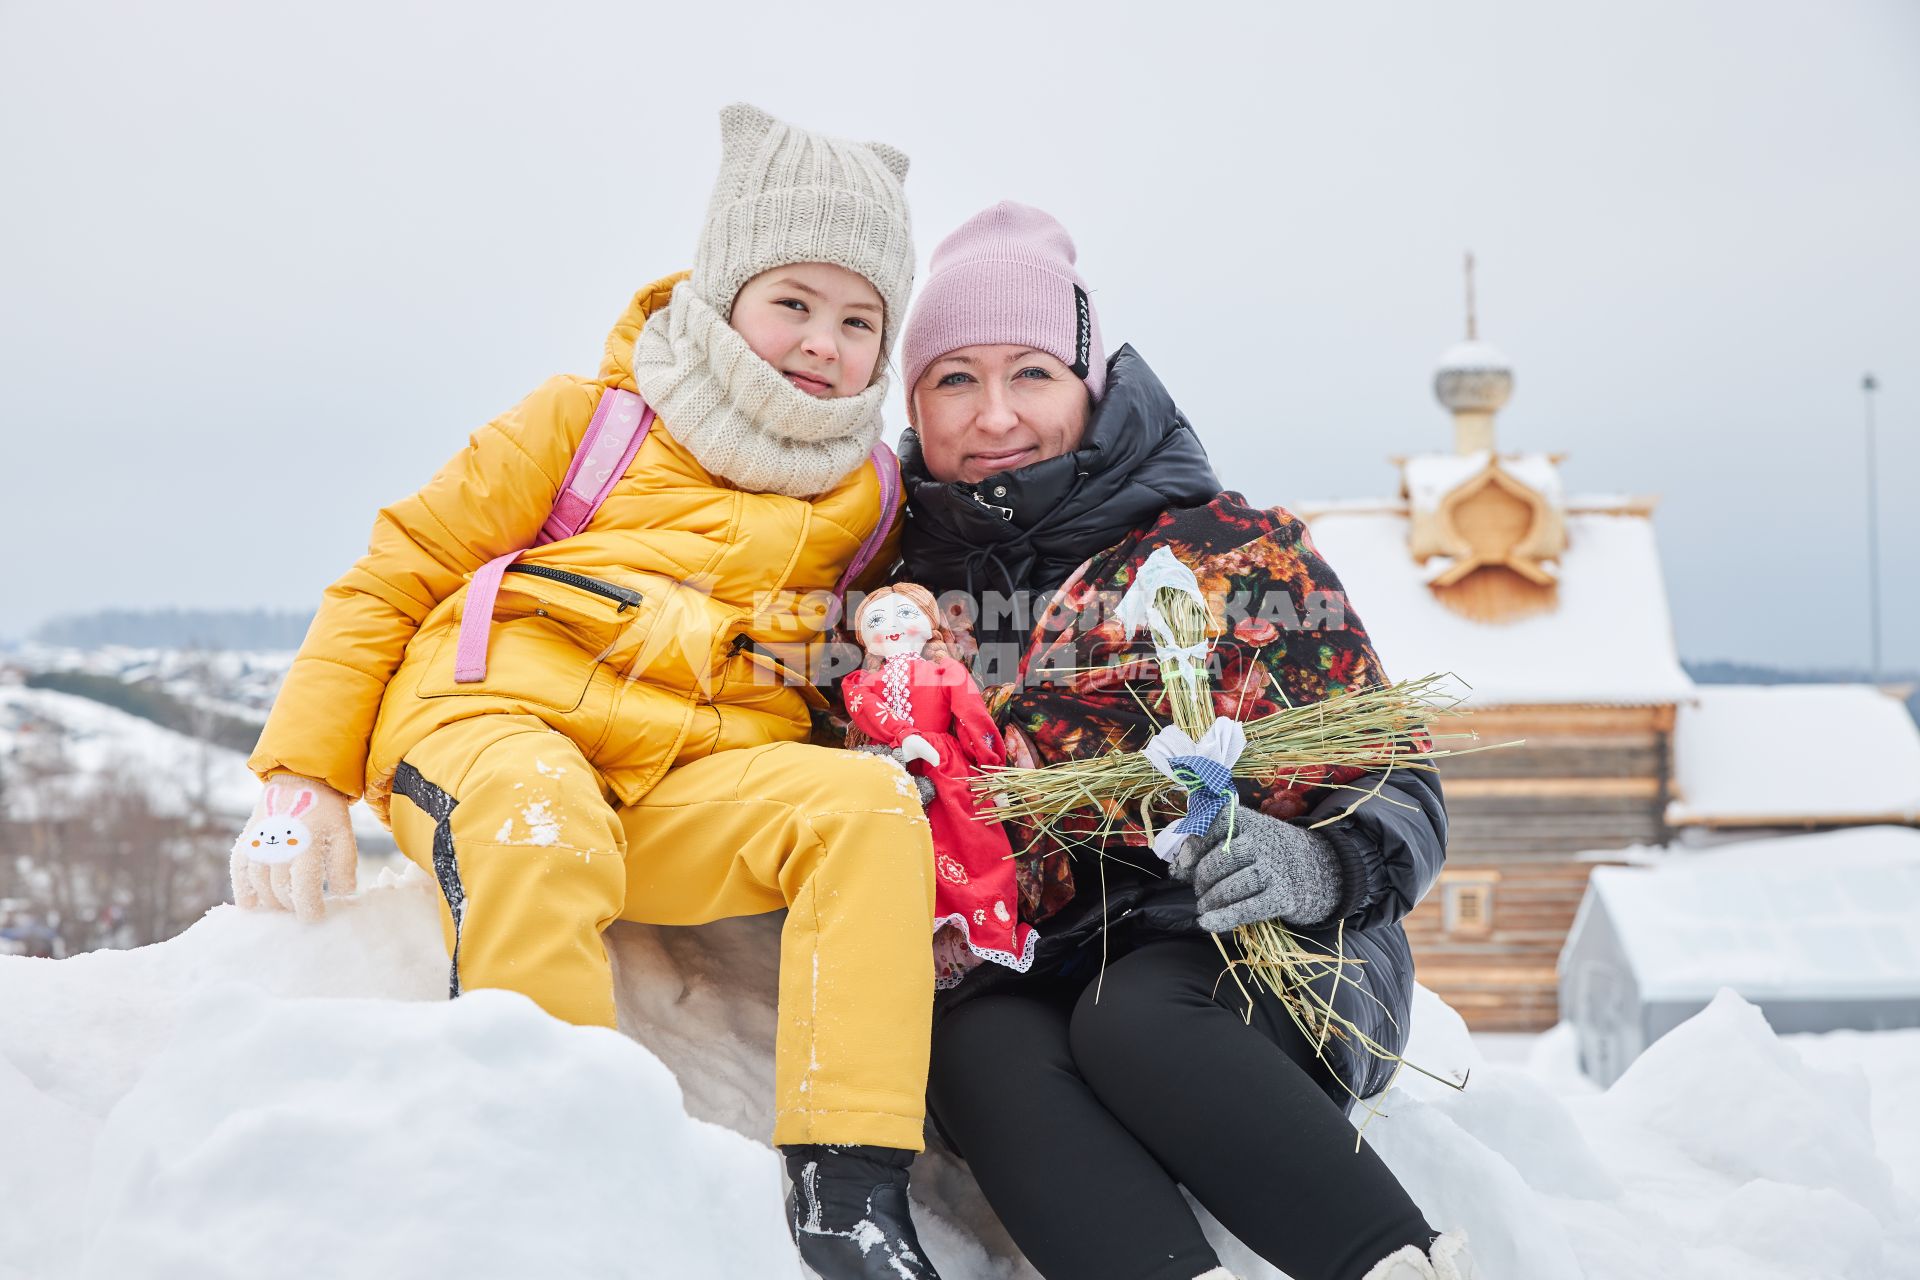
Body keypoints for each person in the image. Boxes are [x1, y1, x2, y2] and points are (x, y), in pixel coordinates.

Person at [233, 104, 944, 1280]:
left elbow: (866, 651)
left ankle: (850, 1195)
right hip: (496, 724)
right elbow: (392, 573)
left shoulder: (867, 495)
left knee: (866, 812)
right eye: (792, 302)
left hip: (687, 778)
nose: (823, 340)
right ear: (723, 294)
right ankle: (552, 1182)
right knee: (539, 817)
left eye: (859, 317)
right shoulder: (587, 423)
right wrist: (301, 774)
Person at [893, 203, 1476, 1280]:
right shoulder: (893, 591)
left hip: (1256, 947)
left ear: (1091, 386)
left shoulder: (1226, 555)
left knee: (1137, 1016)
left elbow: (1395, 777)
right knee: (980, 1048)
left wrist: (1316, 863)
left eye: (1030, 373)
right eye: (954, 379)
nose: (993, 415)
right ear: (915, 399)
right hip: (1021, 967)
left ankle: (1397, 1263)